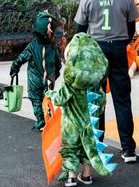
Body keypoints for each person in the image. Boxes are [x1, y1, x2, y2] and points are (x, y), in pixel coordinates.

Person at [74, 0, 139, 163]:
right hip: (119, 49)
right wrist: (123, 41)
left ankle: (98, 147)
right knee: (122, 100)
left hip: (96, 52)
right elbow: (131, 28)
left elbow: (80, 30)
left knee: (96, 100)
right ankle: (128, 149)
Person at [47, 33, 116, 186]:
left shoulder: (71, 82)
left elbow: (59, 99)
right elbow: (101, 101)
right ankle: (86, 175)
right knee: (88, 148)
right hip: (90, 123)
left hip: (71, 124)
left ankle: (71, 177)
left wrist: (49, 93)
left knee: (70, 148)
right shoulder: (96, 82)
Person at [10, 11, 62, 132]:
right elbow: (58, 64)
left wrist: (14, 69)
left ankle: (40, 121)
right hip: (49, 78)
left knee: (36, 99)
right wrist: (56, 75)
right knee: (47, 98)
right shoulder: (52, 48)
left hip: (35, 78)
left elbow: (20, 59)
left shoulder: (32, 47)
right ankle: (48, 120)